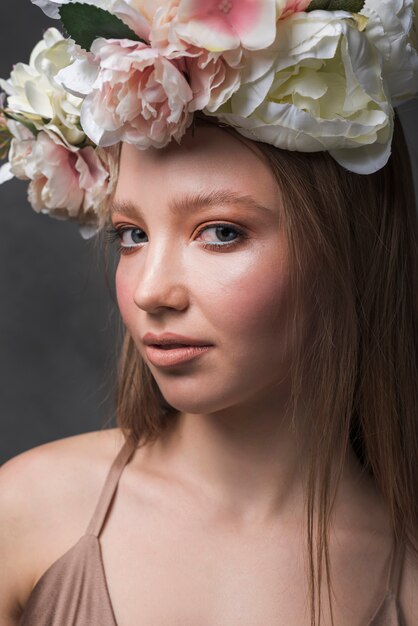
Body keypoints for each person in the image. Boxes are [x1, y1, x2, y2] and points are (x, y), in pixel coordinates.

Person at [0, 1, 417, 625]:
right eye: (132, 235)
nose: (151, 291)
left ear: (347, 250)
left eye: (220, 233)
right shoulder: (26, 513)